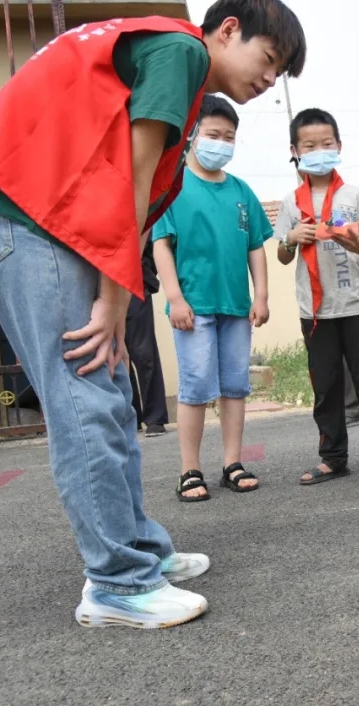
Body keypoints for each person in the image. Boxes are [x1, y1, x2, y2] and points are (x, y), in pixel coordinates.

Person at [0, 0, 306, 628]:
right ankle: (115, 583)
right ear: (227, 31)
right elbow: (132, 178)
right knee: (84, 390)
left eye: (279, 73)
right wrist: (116, 296)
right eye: (268, 59)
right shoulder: (184, 52)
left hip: (44, 214)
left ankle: (138, 547)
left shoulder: (173, 60)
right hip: (24, 213)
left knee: (109, 390)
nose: (268, 79)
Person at [153, 95, 273, 500]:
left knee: (235, 386)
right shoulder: (172, 186)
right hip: (194, 307)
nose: (220, 143)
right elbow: (160, 244)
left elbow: (256, 245)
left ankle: (232, 463)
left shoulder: (241, 191)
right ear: (192, 135)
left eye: (228, 137)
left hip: (236, 307)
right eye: (212, 134)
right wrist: (175, 297)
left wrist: (262, 297)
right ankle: (190, 470)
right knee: (196, 387)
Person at [275, 108, 359, 487]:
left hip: (357, 305)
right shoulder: (292, 203)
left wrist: (357, 243)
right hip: (314, 310)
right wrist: (291, 239)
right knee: (325, 387)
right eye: (309, 146)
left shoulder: (354, 195)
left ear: (339, 145)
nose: (319, 151)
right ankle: (332, 458)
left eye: (326, 144)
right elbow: (281, 254)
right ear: (295, 150)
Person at [127, 239, 170, 437]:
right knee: (114, 353)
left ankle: (155, 417)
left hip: (134, 281)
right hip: (101, 282)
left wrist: (145, 271)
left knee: (144, 352)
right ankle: (130, 416)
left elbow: (152, 239)